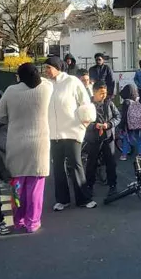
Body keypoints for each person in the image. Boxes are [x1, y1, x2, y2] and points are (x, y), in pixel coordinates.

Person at [0, 63, 53, 232]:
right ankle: (32, 222)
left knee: (17, 185)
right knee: (36, 187)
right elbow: (45, 81)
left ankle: (18, 220)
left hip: (16, 142)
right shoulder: (46, 88)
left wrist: (13, 120)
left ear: (19, 76)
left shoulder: (11, 91)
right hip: (39, 144)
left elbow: (0, 115)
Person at [43, 57, 97, 211]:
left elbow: (85, 102)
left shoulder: (72, 81)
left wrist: (84, 123)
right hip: (53, 133)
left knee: (75, 164)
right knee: (57, 167)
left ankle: (84, 198)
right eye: (45, 68)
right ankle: (62, 199)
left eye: (48, 68)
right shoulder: (46, 85)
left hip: (72, 131)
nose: (46, 71)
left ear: (57, 67)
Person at [84, 82, 120, 198]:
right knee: (91, 163)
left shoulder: (109, 103)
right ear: (94, 92)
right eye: (101, 93)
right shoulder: (87, 104)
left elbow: (117, 116)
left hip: (108, 137)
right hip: (93, 138)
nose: (104, 95)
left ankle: (112, 185)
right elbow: (83, 121)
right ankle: (89, 186)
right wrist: (94, 126)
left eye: (105, 93)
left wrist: (109, 124)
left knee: (111, 163)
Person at [118, 84, 141, 161]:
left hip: (128, 124)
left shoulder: (126, 102)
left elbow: (124, 116)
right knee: (139, 139)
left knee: (126, 139)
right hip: (139, 123)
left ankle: (124, 155)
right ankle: (140, 154)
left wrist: (121, 126)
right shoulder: (138, 100)